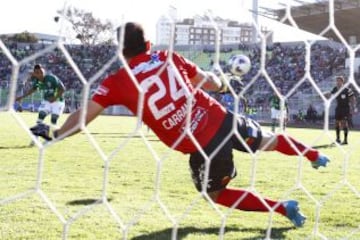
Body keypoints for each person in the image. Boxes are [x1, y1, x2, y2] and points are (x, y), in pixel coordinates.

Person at [31, 22, 330, 228]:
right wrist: (225, 86)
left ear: (121, 53)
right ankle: (314, 155)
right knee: (270, 141)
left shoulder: (118, 81)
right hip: (223, 120)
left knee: (215, 194)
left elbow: (83, 117)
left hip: (202, 146)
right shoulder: (167, 57)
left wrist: (56, 133)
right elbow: (209, 82)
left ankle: (282, 207)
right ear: (148, 44)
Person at [16, 64, 66, 144]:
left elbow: (62, 88)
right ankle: (35, 138)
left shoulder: (51, 78)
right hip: (46, 101)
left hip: (58, 101)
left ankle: (50, 139)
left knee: (53, 120)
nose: (40, 74)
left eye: (41, 72)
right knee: (40, 118)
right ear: (35, 74)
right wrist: (21, 97)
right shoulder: (37, 81)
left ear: (44, 71)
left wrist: (55, 98)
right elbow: (31, 91)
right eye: (37, 73)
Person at [325, 76, 357, 145]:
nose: (337, 82)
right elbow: (330, 95)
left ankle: (345, 140)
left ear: (342, 82)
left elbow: (352, 99)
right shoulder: (335, 89)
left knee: (344, 123)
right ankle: (338, 139)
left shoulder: (347, 90)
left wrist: (353, 108)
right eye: (337, 81)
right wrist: (325, 95)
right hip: (338, 108)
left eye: (339, 81)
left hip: (345, 108)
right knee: (337, 123)